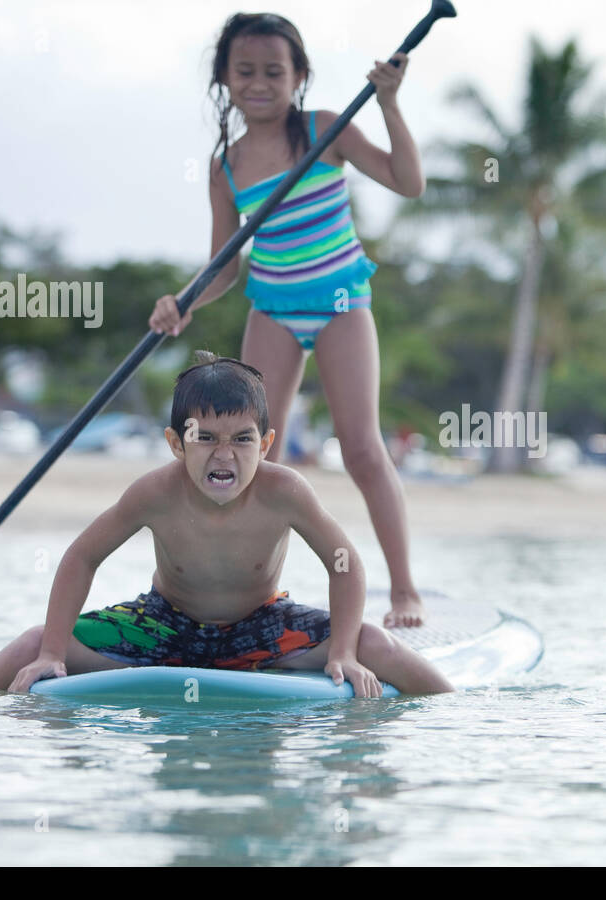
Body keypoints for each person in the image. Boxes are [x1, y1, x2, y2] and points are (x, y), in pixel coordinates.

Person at [148, 12, 426, 628]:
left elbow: (408, 182)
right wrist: (183, 302)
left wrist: (389, 104)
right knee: (257, 461)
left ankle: (404, 590)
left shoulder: (325, 130)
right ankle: (253, 598)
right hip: (271, 307)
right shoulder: (226, 165)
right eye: (244, 71)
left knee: (361, 449)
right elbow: (224, 267)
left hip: (340, 304)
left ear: (299, 75)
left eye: (275, 71)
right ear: (224, 78)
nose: (259, 82)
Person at [0, 351, 455, 698]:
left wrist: (343, 653)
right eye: (205, 438)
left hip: (260, 629)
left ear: (265, 445)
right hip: (163, 627)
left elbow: (344, 564)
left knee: (375, 644)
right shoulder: (154, 492)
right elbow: (82, 555)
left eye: (242, 439)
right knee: (32, 643)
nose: (225, 455)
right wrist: (54, 651)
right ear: (176, 443)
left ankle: (457, 714)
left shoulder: (285, 491)